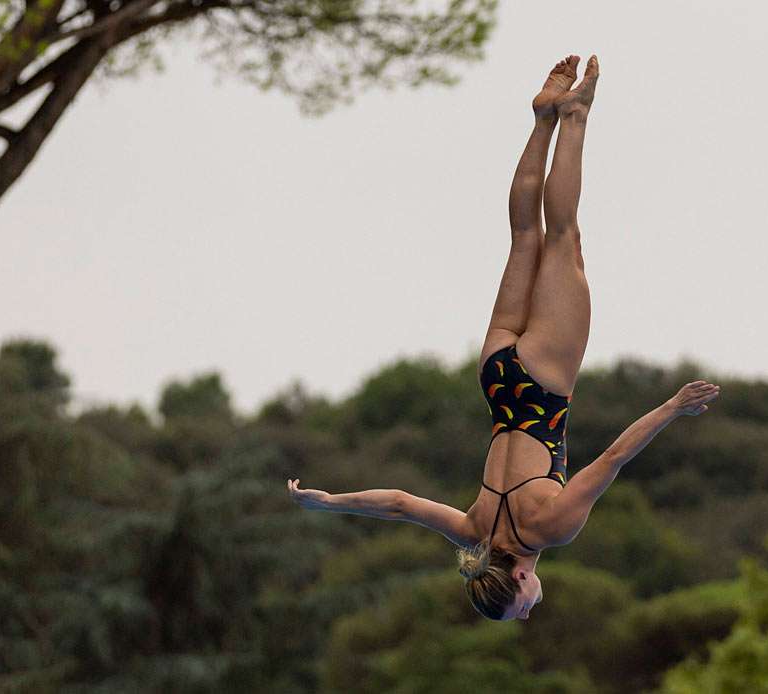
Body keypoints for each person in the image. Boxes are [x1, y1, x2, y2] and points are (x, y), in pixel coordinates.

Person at [288, 55, 721, 621]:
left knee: (563, 237)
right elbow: (397, 504)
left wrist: (672, 407)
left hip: (543, 382)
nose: (531, 605)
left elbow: (614, 458)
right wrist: (328, 502)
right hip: (496, 377)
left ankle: (576, 115)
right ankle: (543, 120)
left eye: (523, 606)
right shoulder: (470, 531)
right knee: (523, 238)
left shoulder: (550, 531)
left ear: (518, 577)